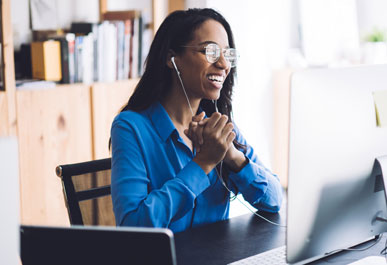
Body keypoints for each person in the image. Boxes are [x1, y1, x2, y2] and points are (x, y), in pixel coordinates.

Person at [110, 8, 283, 233]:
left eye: (227, 54)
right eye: (210, 51)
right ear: (172, 59)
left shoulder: (219, 125)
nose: (224, 64)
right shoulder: (130, 127)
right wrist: (203, 164)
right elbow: (133, 227)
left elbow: (275, 199)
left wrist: (232, 156)